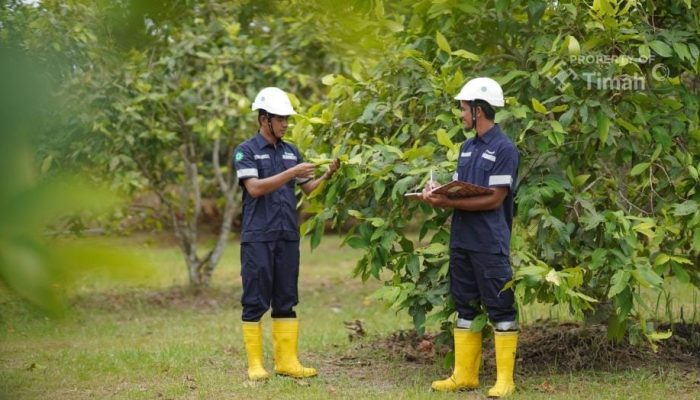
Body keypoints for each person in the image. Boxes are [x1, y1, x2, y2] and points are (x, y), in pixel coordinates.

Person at [420, 77, 519, 397]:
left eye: (463, 109)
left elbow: (494, 199)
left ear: (479, 110)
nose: (461, 115)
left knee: (500, 307)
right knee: (464, 306)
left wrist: (447, 201)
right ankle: (465, 375)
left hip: (490, 242)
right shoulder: (466, 148)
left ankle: (505, 380)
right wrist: (438, 193)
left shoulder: (504, 148)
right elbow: (462, 192)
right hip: (462, 239)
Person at [233, 87, 339, 381]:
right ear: (264, 118)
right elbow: (254, 188)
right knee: (255, 298)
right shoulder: (246, 151)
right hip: (258, 236)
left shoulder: (292, 151)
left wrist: (327, 175)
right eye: (280, 119)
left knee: (286, 298)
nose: (285, 125)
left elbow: (308, 188)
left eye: (287, 120)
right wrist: (291, 174)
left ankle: (287, 362)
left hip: (287, 235)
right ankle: (255, 364)